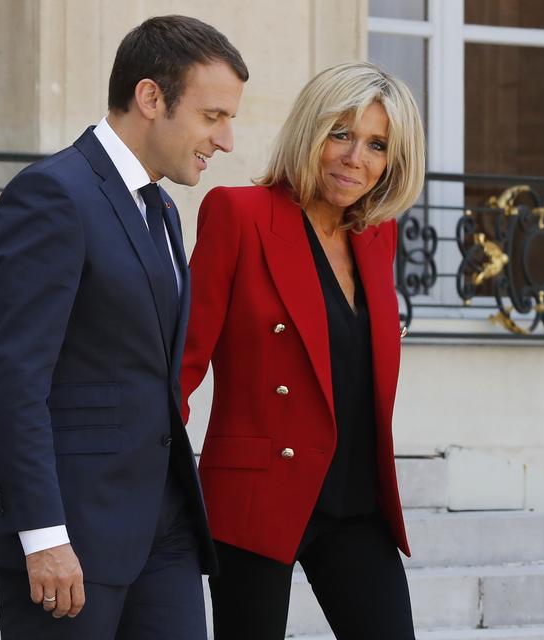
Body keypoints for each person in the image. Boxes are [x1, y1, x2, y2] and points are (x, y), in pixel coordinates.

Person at [0, 15, 247, 640]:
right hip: (72, 537)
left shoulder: (165, 210)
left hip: (164, 527)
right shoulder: (53, 195)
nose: (226, 139)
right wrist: (43, 535)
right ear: (151, 98)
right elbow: (17, 381)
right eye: (212, 116)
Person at [181, 61, 425, 639]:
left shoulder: (375, 234)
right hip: (257, 498)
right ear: (309, 131)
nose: (354, 157)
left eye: (376, 144)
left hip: (358, 503)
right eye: (340, 133)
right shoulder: (240, 214)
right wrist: (147, 483)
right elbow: (181, 363)